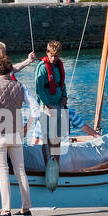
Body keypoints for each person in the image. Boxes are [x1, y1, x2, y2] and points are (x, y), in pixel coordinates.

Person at [0, 55, 34, 216]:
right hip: (17, 134)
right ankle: (26, 208)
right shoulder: (20, 86)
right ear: (11, 69)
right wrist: (28, 126)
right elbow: (34, 107)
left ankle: (6, 210)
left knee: (3, 171)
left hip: (0, 134)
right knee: (20, 170)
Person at [35, 39, 68, 189]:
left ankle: (57, 165)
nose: (53, 58)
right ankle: (47, 163)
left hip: (59, 104)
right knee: (46, 137)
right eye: (51, 55)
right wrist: (47, 104)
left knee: (57, 137)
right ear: (47, 52)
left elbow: (62, 84)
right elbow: (39, 89)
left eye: (56, 56)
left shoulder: (59, 66)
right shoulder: (42, 68)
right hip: (46, 106)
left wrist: (65, 96)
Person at [0, 40, 35, 108]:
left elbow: (14, 68)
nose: (1, 56)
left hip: (8, 104)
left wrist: (28, 60)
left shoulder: (5, 66)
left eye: (3, 53)